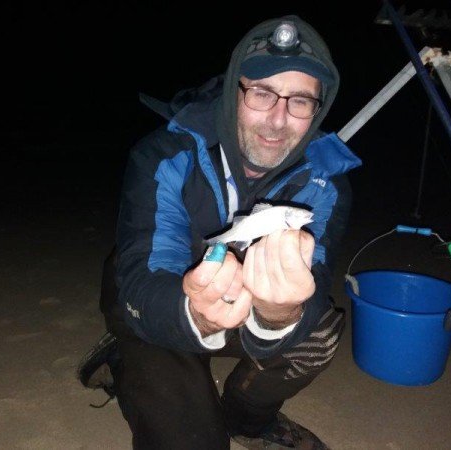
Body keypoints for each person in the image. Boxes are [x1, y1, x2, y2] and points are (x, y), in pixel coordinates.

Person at [78, 13, 361, 450]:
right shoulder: (165, 155)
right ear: (234, 91)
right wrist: (196, 314)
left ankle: (247, 420)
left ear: (317, 111)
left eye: (300, 101)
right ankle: (124, 356)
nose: (278, 119)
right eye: (262, 93)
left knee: (318, 333)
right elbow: (142, 272)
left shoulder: (326, 183)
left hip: (244, 317)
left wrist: (277, 315)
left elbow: (317, 280)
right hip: (161, 307)